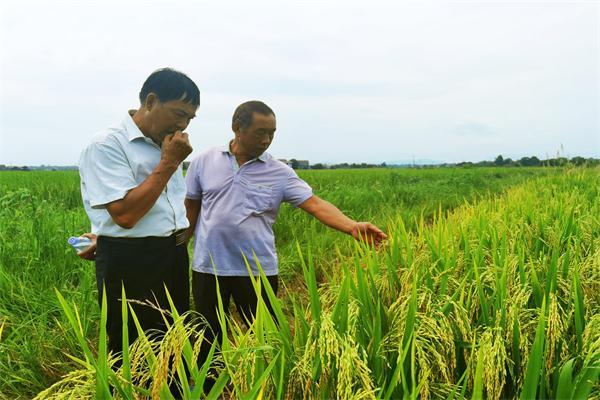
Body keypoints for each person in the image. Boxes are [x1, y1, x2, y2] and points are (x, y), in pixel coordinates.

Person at [184, 100, 387, 379]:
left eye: (272, 133)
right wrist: (179, 245)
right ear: (236, 128)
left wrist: (351, 226)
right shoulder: (203, 161)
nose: (267, 140)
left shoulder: (279, 172)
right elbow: (191, 208)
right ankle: (211, 388)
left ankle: (265, 386)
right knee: (207, 336)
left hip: (257, 270)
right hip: (208, 267)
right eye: (260, 132)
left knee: (264, 338)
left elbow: (314, 204)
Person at [77, 67, 200, 357]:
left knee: (174, 338)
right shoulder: (108, 144)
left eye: (190, 118)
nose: (183, 124)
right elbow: (125, 216)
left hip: (172, 253)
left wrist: (102, 233)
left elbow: (165, 207)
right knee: (135, 349)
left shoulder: (167, 144)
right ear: (151, 101)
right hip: (131, 259)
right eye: (178, 113)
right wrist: (169, 163)